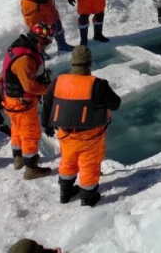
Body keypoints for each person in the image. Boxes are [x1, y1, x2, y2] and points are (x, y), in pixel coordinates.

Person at [41, 45, 121, 208]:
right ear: (89, 64)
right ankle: (88, 197)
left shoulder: (58, 81)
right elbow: (115, 104)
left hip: (66, 134)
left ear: (73, 63)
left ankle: (65, 193)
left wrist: (46, 125)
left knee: (68, 162)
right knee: (89, 166)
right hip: (90, 137)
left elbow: (47, 104)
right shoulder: (98, 84)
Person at [1, 22, 55, 180]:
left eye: (48, 43)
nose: (45, 46)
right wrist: (50, 89)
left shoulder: (21, 48)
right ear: (34, 39)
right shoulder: (25, 59)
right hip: (22, 102)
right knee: (31, 134)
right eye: (44, 43)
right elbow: (30, 86)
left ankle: (18, 159)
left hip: (11, 100)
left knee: (17, 130)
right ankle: (31, 168)